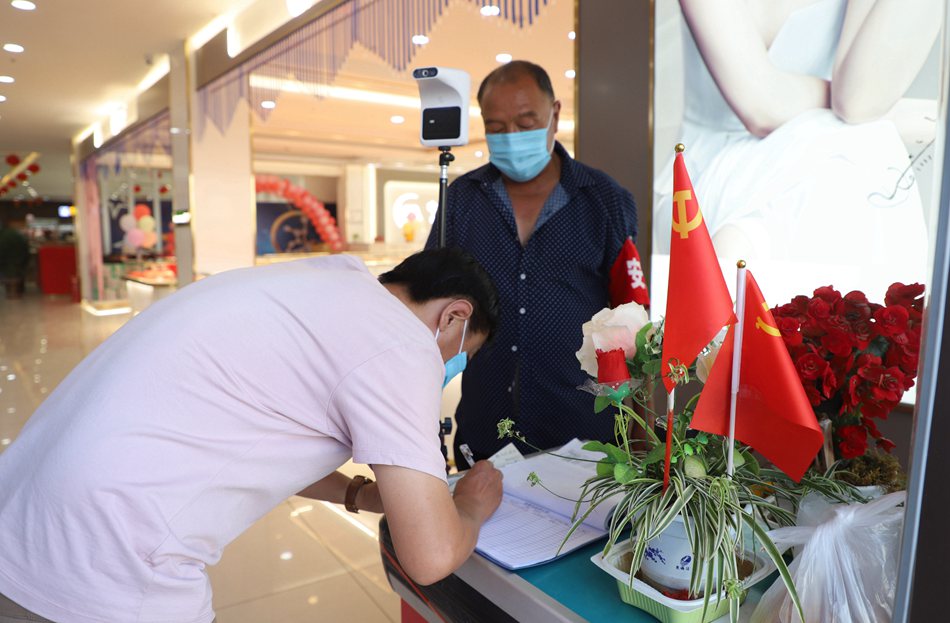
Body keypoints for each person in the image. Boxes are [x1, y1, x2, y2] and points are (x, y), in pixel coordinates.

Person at [0, 248, 503, 623]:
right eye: (460, 355)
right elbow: (430, 556)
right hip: (103, 566)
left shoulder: (320, 286)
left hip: (22, 523)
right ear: (454, 316)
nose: (447, 368)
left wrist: (361, 494)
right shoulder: (401, 342)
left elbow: (260, 435)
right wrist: (471, 507)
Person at [653, 0, 940, 303]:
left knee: (862, 150)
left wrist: (865, 107)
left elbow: (858, 101)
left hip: (819, 154)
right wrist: (894, 114)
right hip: (702, 175)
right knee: (863, 145)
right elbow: (762, 106)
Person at [426, 60, 639, 462]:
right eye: (496, 127)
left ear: (554, 114)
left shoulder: (604, 200)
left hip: (584, 431)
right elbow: (430, 303)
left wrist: (638, 420)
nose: (511, 137)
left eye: (526, 123)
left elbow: (631, 315)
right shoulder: (463, 200)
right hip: (486, 428)